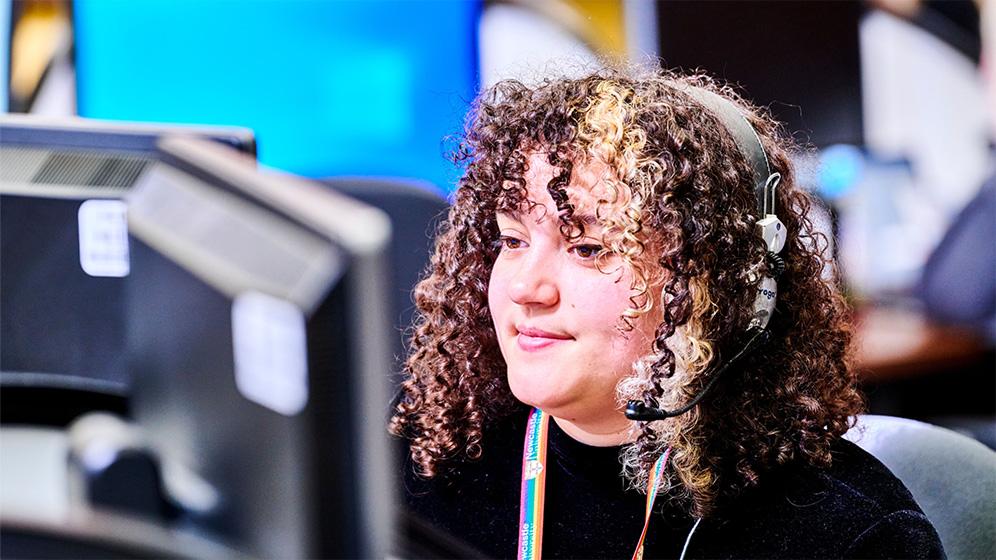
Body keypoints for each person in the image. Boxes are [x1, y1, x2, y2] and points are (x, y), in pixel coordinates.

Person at [390, 66, 945, 559]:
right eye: (511, 240)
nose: (525, 287)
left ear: (719, 284)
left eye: (588, 248)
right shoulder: (426, 461)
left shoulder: (845, 535)